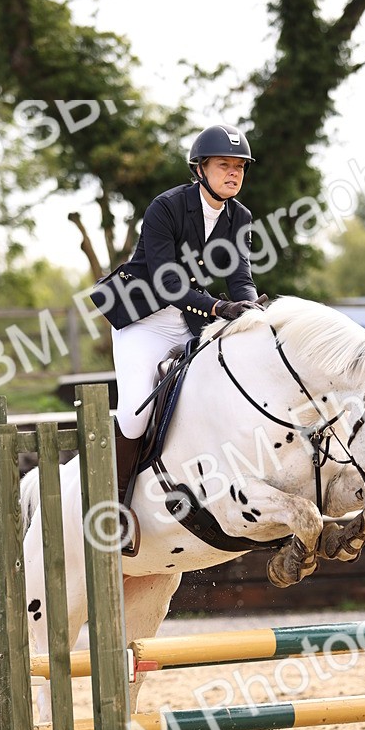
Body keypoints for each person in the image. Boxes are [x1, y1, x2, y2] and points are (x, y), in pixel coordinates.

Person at [90, 122, 267, 536]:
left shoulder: (239, 216)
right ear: (200, 169)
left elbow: (240, 277)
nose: (234, 174)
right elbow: (169, 281)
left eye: (240, 167)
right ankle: (113, 506)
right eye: (225, 165)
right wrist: (220, 307)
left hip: (191, 321)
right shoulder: (166, 207)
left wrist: (255, 311)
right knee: (135, 412)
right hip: (145, 323)